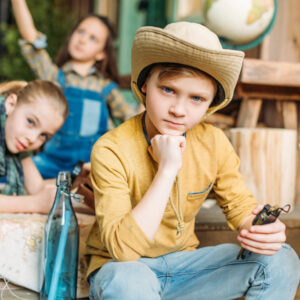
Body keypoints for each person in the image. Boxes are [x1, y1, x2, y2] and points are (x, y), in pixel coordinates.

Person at [85, 22, 300, 299]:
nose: (178, 110)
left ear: (210, 105)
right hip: (123, 269)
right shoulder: (111, 149)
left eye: (196, 98)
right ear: (144, 85)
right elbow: (123, 251)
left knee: (281, 258)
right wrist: (167, 169)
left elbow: (239, 207)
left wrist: (262, 230)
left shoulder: (214, 143)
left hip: (186, 268)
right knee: (129, 281)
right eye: (168, 90)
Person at [11, 0, 137, 179]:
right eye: (80, 32)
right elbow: (31, 39)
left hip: (91, 166)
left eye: (93, 38)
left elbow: (133, 120)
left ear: (101, 53)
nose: (83, 39)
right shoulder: (55, 77)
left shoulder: (106, 88)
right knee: (14, 176)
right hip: (51, 163)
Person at [0, 80, 68, 213]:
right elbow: (39, 200)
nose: (32, 139)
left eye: (43, 135)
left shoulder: (18, 140)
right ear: (11, 104)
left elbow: (37, 188)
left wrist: (76, 183)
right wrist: (35, 203)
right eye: (31, 122)